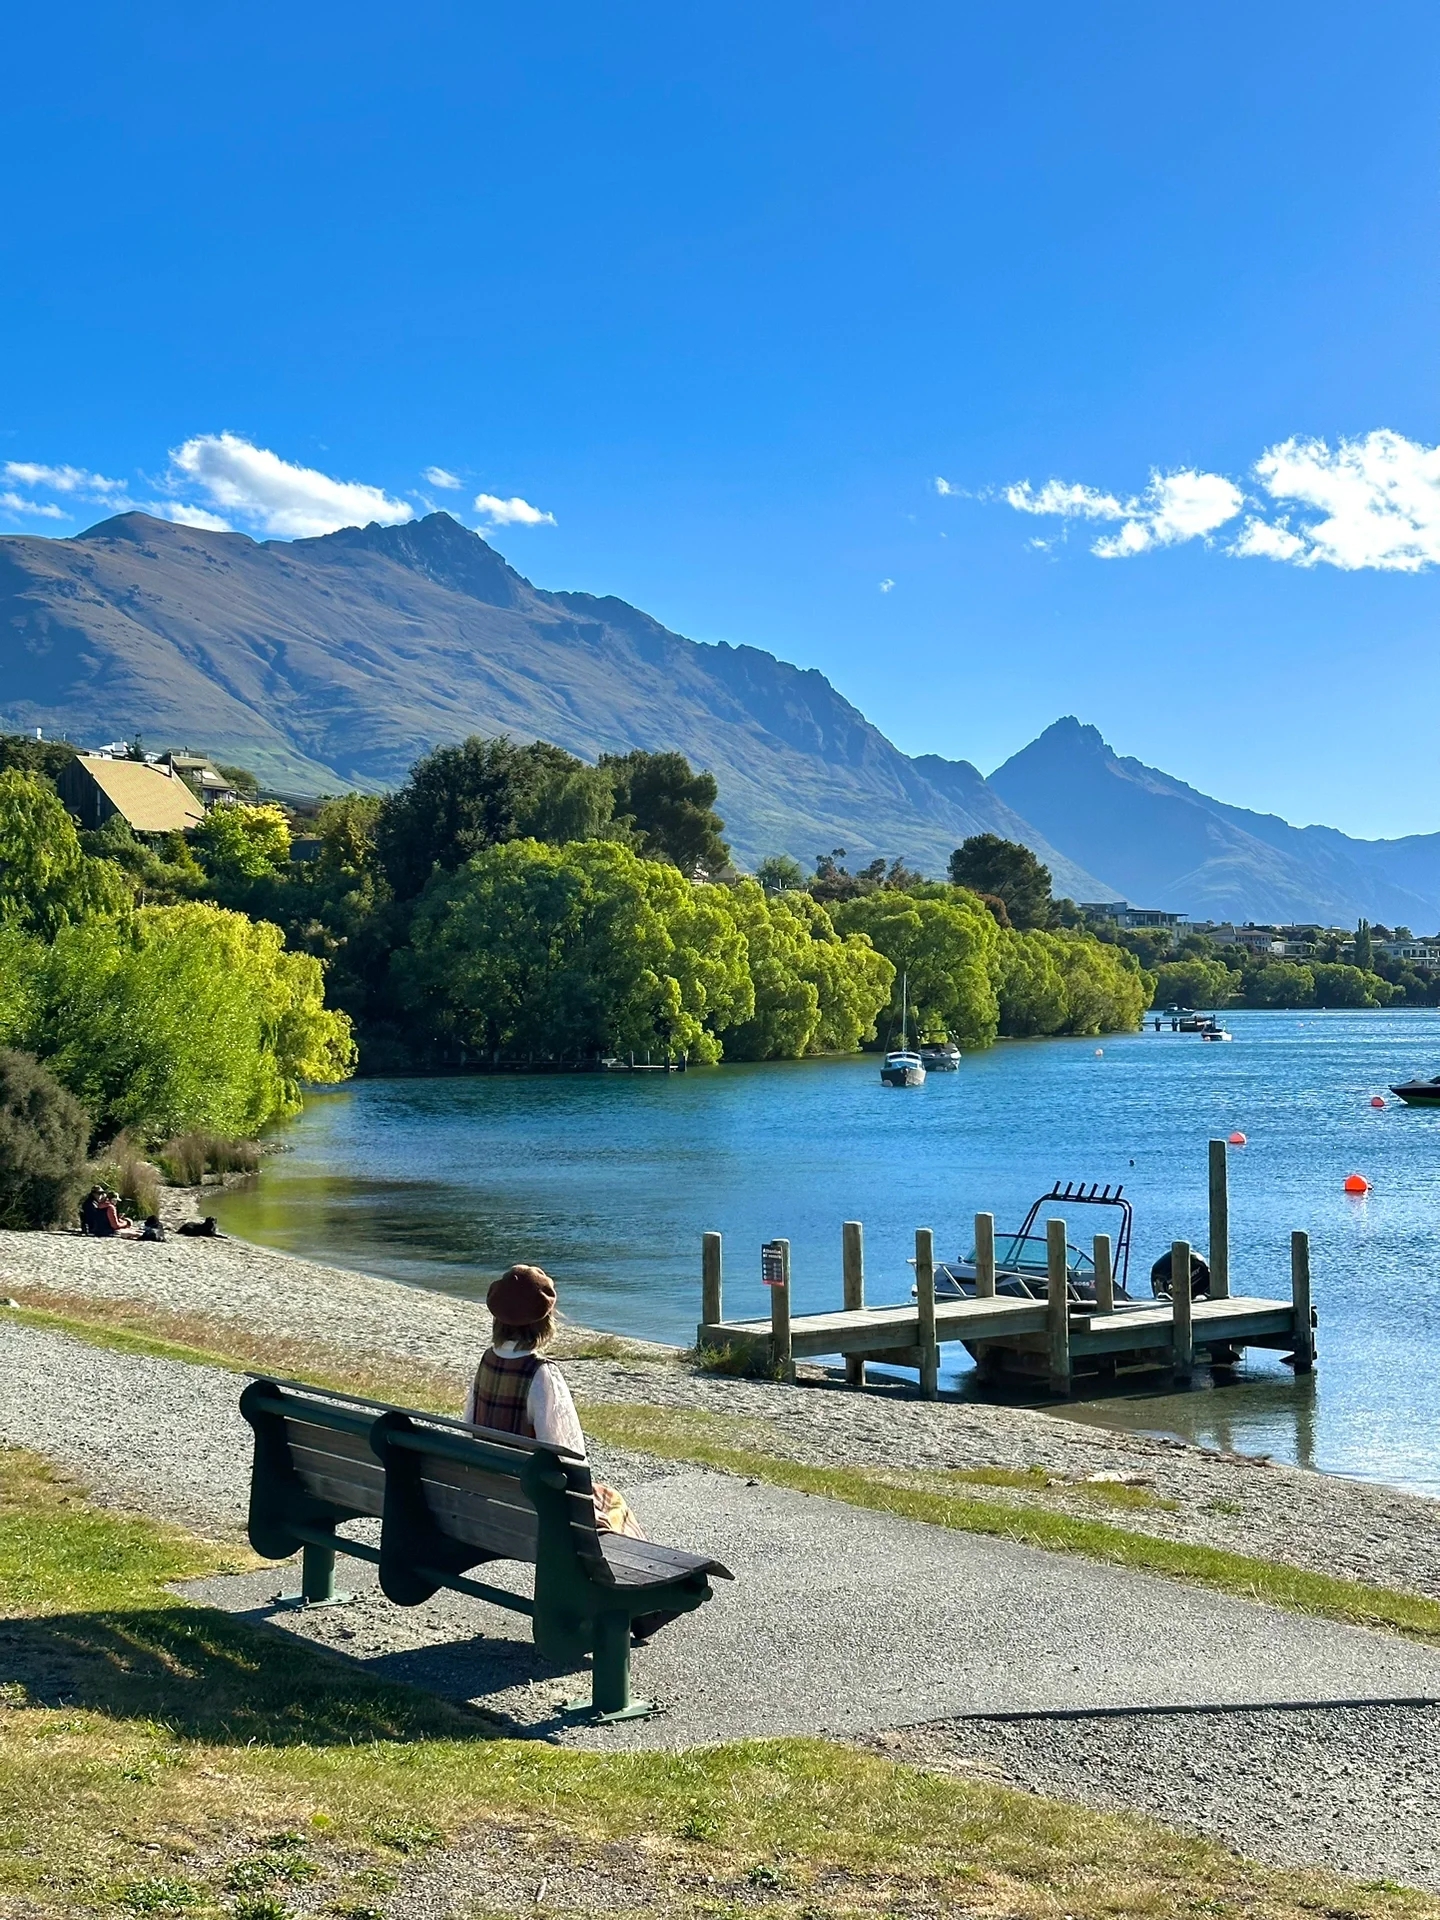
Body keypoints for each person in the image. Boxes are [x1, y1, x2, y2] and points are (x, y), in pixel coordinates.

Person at [463, 1263, 642, 1540]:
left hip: (491, 1490)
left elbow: (471, 1424)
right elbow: (565, 1451)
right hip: (532, 1503)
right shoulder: (541, 1373)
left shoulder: (487, 1360)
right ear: (544, 1322)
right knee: (613, 1500)